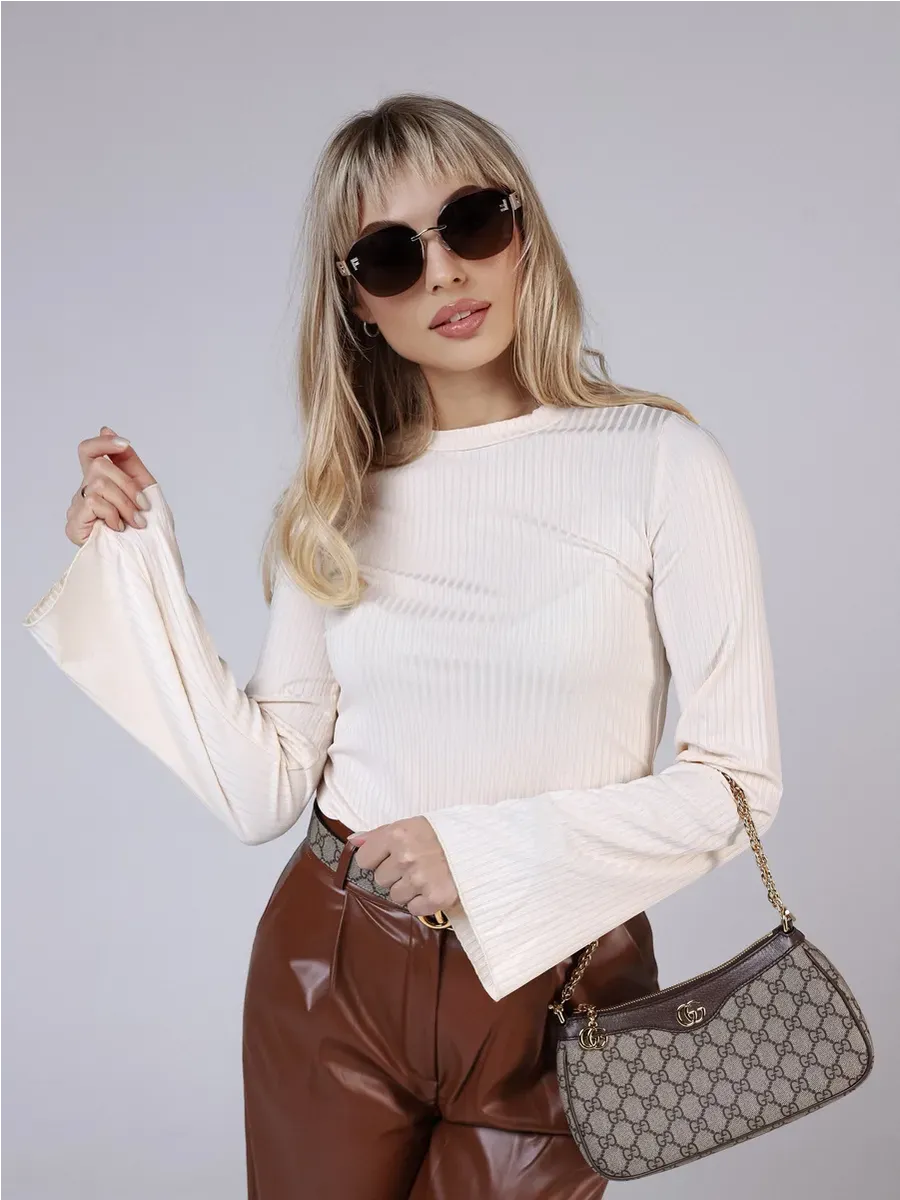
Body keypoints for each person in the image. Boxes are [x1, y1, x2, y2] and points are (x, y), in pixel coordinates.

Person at [22, 93, 783, 1199]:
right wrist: (138, 563)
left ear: (523, 235)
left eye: (472, 222)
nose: (444, 273)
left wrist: (477, 853)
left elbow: (739, 785)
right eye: (392, 254)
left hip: (559, 978)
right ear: (359, 303)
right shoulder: (337, 498)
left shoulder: (660, 461)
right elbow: (261, 790)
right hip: (331, 964)